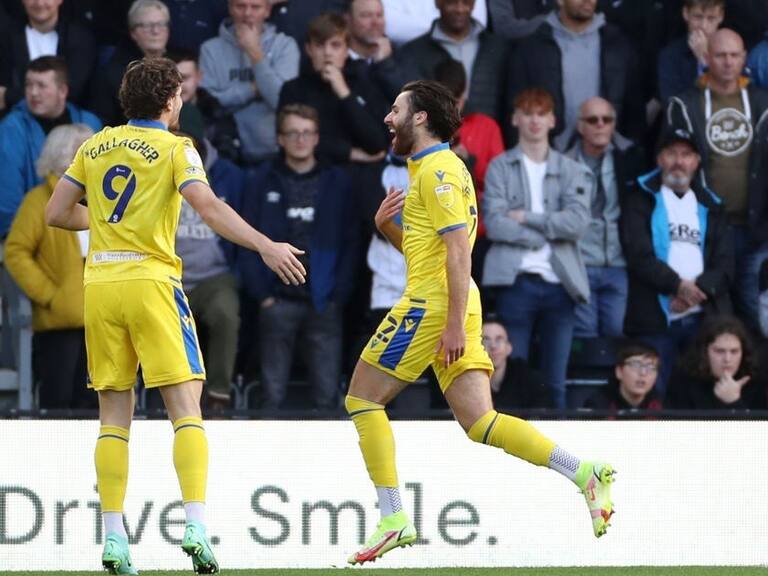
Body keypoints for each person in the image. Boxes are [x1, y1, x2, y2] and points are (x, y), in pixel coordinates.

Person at [46, 57, 306, 575]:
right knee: (186, 409)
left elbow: (56, 213)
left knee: (113, 418)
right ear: (170, 101)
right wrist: (264, 244)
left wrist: (106, 224)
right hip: (151, 282)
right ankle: (194, 525)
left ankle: (116, 537)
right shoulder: (175, 147)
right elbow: (207, 208)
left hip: (100, 283)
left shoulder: (94, 145)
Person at [345, 80, 615, 566]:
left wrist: (450, 325)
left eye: (395, 109)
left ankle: (392, 517)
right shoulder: (432, 168)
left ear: (421, 117)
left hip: (432, 306)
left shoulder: (440, 170)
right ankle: (583, 473)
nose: (388, 119)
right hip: (449, 299)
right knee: (480, 422)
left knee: (361, 400)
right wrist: (387, 228)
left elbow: (457, 250)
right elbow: (428, 250)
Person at [240, 103, 358, 411]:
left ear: (318, 137)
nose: (300, 140)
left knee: (327, 395)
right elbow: (245, 239)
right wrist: (263, 295)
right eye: (292, 133)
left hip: (324, 301)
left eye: (307, 133)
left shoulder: (338, 181)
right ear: (279, 138)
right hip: (276, 300)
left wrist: (338, 295)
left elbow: (351, 242)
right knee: (272, 395)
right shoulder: (260, 180)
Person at [482, 87, 591, 409]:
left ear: (553, 120)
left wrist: (528, 218)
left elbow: (578, 223)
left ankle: (558, 454)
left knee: (556, 379)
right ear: (515, 119)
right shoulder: (501, 166)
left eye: (541, 114)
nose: (534, 121)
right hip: (515, 281)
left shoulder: (570, 169)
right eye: (528, 113)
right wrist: (541, 235)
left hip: (561, 283)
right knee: (514, 374)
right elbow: (495, 221)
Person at [665, 29, 768, 331]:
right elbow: (671, 165)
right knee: (710, 313)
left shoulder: (763, 103)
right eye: (720, 55)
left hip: (755, 228)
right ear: (706, 57)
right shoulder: (685, 104)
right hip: (706, 229)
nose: (727, 62)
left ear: (745, 59)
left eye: (735, 55)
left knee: (752, 309)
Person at [621, 128, 732, 396]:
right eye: (671, 153)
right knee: (655, 394)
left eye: (686, 154)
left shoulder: (711, 203)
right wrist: (677, 287)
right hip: (654, 317)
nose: (678, 161)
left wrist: (694, 294)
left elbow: (726, 263)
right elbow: (638, 254)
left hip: (702, 318)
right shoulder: (640, 196)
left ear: (696, 161)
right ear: (659, 159)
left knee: (700, 394)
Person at [4, 123, 95, 410]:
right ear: (64, 157)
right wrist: (49, 295)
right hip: (59, 323)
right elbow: (16, 252)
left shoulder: (101, 199)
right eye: (85, 152)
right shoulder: (38, 201)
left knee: (95, 404)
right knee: (58, 404)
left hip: (100, 321)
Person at [566, 97, 646, 339]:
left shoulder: (630, 160)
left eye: (607, 119)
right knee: (584, 332)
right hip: (580, 261)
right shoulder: (563, 164)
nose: (600, 125)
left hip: (618, 260)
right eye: (592, 120)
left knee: (616, 331)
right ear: (580, 126)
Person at [0, 56, 101, 237]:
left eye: (41, 85)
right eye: (28, 85)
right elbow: (7, 198)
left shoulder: (90, 123)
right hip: (35, 232)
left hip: (89, 228)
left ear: (62, 90)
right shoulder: (11, 128)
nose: (33, 93)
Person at [199, 0, 300, 163]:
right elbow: (211, 104)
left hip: (274, 153)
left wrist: (254, 52)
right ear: (230, 8)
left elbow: (281, 101)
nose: (247, 13)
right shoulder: (210, 49)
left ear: (267, 11)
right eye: (240, 6)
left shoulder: (285, 46)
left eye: (255, 7)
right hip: (226, 153)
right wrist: (255, 88)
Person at [90, 0, 172, 127]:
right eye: (147, 25)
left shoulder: (178, 63)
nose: (155, 31)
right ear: (133, 32)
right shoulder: (115, 72)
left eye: (161, 24)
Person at [668, 315, 766, 410]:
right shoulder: (683, 379)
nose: (727, 359)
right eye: (719, 351)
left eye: (734, 351)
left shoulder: (755, 381)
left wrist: (734, 403)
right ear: (704, 351)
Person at [657, 0, 724, 104]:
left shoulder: (731, 51)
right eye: (698, 17)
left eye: (711, 18)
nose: (703, 26)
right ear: (685, 14)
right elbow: (673, 104)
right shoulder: (670, 56)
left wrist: (704, 61)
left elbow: (733, 98)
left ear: (720, 17)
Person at [482, 318, 552, 409]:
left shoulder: (529, 380)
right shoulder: (468, 382)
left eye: (499, 339)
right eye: (486, 340)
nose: (493, 346)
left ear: (509, 348)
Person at [584, 342, 664, 412]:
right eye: (635, 365)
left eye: (650, 367)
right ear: (619, 371)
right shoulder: (599, 405)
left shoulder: (663, 406)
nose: (643, 373)